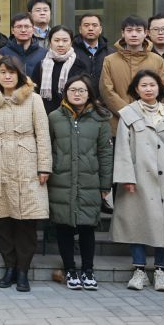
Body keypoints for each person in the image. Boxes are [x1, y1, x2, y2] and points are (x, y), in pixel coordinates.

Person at [111, 70, 164, 292]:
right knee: (136, 222)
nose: (148, 89)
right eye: (143, 85)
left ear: (160, 88)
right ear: (136, 89)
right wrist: (126, 177)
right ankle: (139, 269)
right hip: (137, 178)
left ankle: (160, 271)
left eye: (152, 85)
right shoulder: (128, 114)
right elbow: (122, 148)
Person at [0, 56, 51, 292]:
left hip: (27, 164)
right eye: (3, 72)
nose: (7, 76)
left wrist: (44, 166)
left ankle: (23, 270)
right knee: (1, 220)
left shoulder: (33, 99)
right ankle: (9, 267)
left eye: (11, 72)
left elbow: (43, 134)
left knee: (26, 221)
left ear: (19, 75)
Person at [47, 74, 112, 291]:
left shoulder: (100, 118)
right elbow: (48, 148)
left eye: (82, 90)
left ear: (89, 93)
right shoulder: (55, 117)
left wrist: (105, 184)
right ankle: (70, 269)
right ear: (65, 93)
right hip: (61, 179)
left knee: (87, 227)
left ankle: (88, 270)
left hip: (89, 179)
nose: (77, 94)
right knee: (64, 226)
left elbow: (105, 153)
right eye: (72, 90)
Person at [99, 16, 164, 134]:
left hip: (149, 122)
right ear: (123, 33)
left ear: (146, 33)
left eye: (138, 30)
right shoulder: (110, 60)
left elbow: (163, 87)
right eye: (129, 30)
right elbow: (106, 90)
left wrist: (147, 111)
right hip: (118, 123)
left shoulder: (157, 60)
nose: (134, 34)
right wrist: (128, 113)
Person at [32, 25, 87, 115]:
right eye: (56, 40)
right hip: (46, 114)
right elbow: (34, 92)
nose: (60, 44)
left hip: (73, 114)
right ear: (50, 43)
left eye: (65, 40)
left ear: (71, 43)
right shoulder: (42, 65)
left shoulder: (79, 65)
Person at [72, 13, 112, 87]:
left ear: (100, 30)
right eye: (86, 25)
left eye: (94, 25)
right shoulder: (71, 52)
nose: (90, 28)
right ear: (80, 29)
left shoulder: (110, 53)